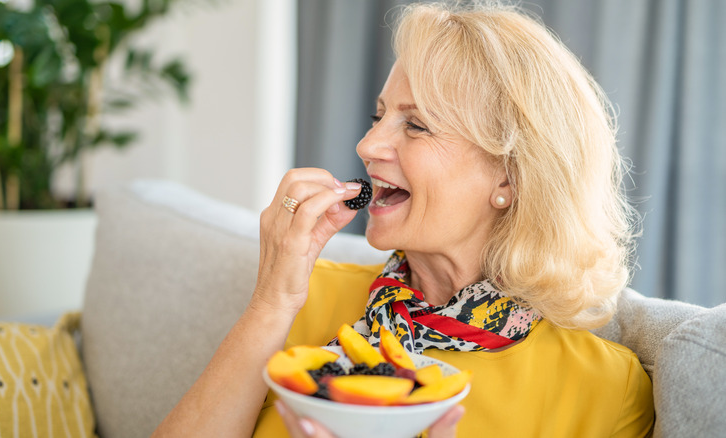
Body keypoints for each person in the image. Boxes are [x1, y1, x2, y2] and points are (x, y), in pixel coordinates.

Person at [153, 2, 654, 437]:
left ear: (510, 177)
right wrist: (270, 301)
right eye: (378, 117)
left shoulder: (605, 391)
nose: (366, 146)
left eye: (416, 124)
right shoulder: (300, 298)